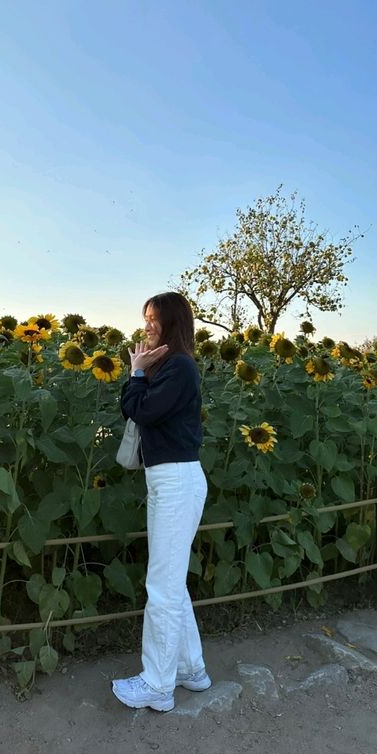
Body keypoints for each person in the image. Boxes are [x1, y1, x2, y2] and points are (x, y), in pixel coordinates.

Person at [112, 291, 210, 712]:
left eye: (154, 319)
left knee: (162, 587)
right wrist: (139, 375)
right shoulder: (168, 367)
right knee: (171, 582)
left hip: (175, 481)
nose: (147, 325)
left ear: (172, 323)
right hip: (170, 480)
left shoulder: (181, 368)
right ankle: (190, 669)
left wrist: (135, 373)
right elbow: (132, 408)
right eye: (145, 317)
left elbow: (142, 412)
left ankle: (157, 685)